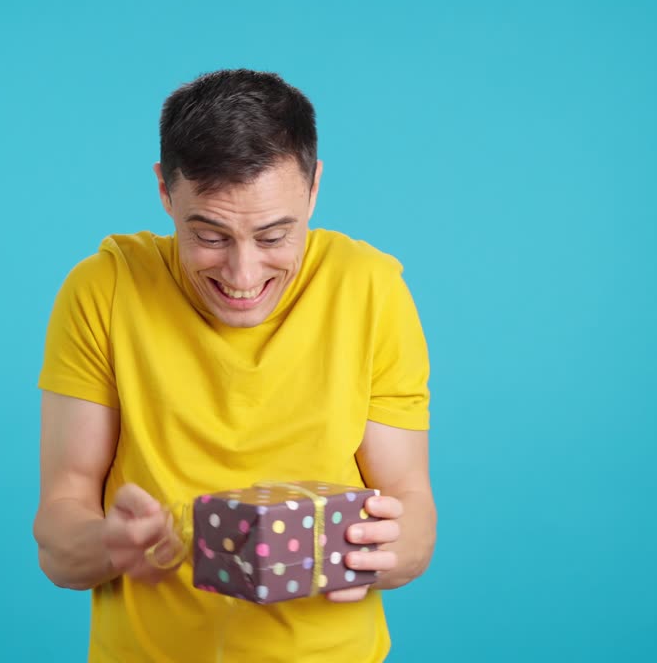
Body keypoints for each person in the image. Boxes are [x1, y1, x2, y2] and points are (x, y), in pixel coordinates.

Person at [32, 69, 436, 662]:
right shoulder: (106, 289)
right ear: (165, 194)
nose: (243, 277)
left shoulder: (370, 289)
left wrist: (394, 551)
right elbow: (59, 528)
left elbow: (410, 501)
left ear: (314, 187)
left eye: (274, 236)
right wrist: (108, 543)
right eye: (210, 236)